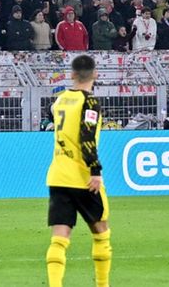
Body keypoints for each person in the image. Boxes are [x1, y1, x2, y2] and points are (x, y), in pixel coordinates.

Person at [45, 54, 111, 287]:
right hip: (82, 177)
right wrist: (95, 170)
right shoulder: (90, 102)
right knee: (101, 231)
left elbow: (51, 114)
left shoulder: (60, 99)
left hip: (58, 176)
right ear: (95, 75)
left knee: (59, 237)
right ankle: (102, 285)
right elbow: (87, 136)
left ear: (72, 75)